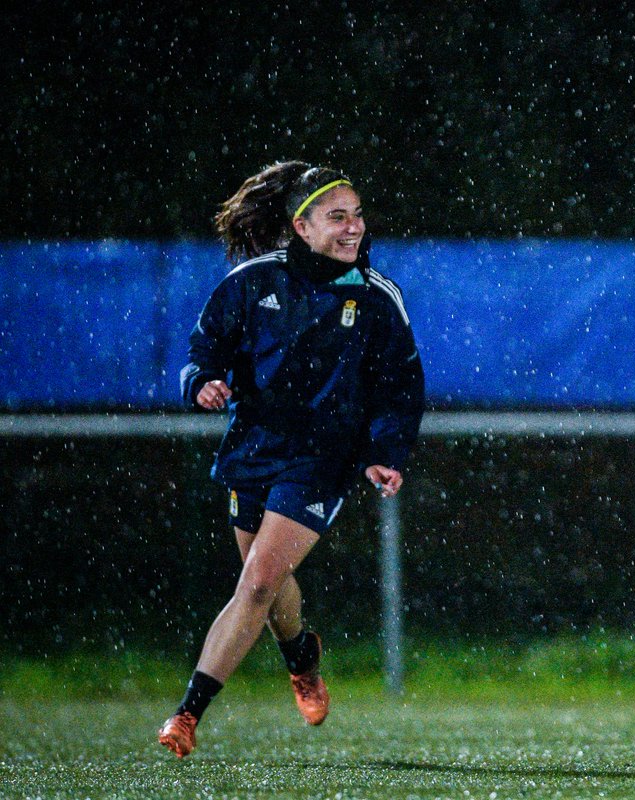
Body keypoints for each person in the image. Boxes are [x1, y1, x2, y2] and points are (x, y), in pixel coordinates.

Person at [157, 161, 425, 758]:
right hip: (253, 450)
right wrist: (202, 381)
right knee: (267, 584)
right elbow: (203, 349)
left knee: (255, 582)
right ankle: (302, 657)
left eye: (357, 215)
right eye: (338, 217)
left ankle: (187, 714)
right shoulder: (252, 282)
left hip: (321, 461)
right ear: (301, 227)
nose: (354, 228)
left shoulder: (378, 297)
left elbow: (401, 386)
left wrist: (384, 452)